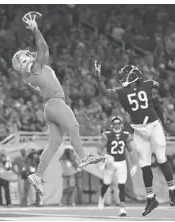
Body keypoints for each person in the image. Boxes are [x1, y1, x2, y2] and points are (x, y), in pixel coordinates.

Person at [11, 12, 104, 196]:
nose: (30, 54)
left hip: (49, 107)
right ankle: (83, 157)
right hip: (55, 102)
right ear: (24, 60)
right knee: (73, 125)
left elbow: (42, 53)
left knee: (54, 144)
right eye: (27, 55)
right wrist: (35, 29)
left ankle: (38, 175)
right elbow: (44, 47)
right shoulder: (34, 67)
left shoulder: (28, 74)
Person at [94, 62, 175, 216]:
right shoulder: (126, 90)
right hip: (138, 130)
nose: (121, 78)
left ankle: (172, 190)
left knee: (161, 159)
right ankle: (151, 199)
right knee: (145, 165)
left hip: (153, 126)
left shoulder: (146, 86)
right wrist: (99, 79)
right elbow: (105, 93)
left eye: (124, 75)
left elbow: (157, 104)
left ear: (132, 76)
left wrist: (162, 124)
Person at [98, 116, 138, 217]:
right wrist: (105, 156)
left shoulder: (126, 135)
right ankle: (102, 197)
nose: (117, 125)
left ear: (121, 124)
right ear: (112, 125)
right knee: (106, 183)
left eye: (118, 123)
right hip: (111, 163)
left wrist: (135, 164)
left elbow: (131, 150)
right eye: (115, 124)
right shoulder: (107, 135)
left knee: (121, 185)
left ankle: (122, 208)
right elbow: (100, 150)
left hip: (121, 163)